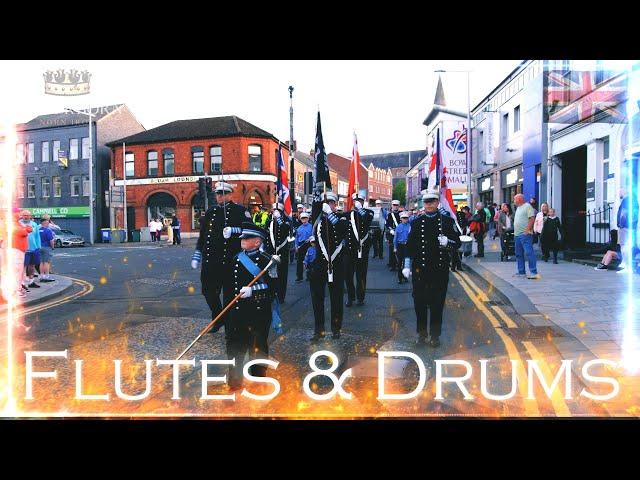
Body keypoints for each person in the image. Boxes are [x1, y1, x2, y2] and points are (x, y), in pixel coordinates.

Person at [222, 222, 278, 390]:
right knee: (235, 346)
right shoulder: (236, 258)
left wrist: (253, 290)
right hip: (238, 311)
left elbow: (274, 288)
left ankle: (258, 380)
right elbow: (229, 286)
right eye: (243, 238)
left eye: (247, 238)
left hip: (258, 312)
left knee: (258, 346)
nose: (243, 241)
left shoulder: (268, 261)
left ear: (258, 241)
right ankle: (235, 380)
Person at [402, 190, 461, 347]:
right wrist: (407, 264)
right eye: (426, 202)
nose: (428, 204)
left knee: (437, 304)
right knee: (419, 304)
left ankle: (435, 336)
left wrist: (447, 242)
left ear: (437, 202)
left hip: (439, 271)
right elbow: (410, 246)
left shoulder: (447, 221)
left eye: (432, 201)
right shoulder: (415, 222)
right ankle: (422, 334)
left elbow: (458, 243)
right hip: (419, 270)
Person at [191, 181, 251, 321]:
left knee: (229, 293)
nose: (219, 196)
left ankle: (227, 322)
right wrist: (197, 254)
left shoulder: (240, 211)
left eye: (223, 193)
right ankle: (218, 315)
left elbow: (251, 231)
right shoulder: (211, 211)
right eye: (218, 194)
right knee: (208, 291)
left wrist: (234, 231)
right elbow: (203, 236)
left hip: (229, 258)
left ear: (230, 194)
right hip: (210, 259)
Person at [309, 191, 348, 342]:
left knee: (336, 299)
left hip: (337, 263)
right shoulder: (318, 221)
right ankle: (319, 330)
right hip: (320, 264)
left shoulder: (341, 218)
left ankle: (336, 329)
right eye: (327, 202)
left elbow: (342, 229)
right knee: (317, 299)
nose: (329, 205)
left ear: (335, 204)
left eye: (331, 203)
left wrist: (329, 214)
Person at [344, 191, 374, 307]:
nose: (357, 203)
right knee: (348, 275)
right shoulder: (348, 215)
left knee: (361, 275)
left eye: (360, 201)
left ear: (362, 202)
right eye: (356, 201)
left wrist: (360, 208)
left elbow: (367, 218)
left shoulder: (368, 213)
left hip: (362, 250)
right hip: (349, 249)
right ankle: (351, 297)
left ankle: (360, 297)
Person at [265, 202, 292, 303]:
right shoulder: (269, 221)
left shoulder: (286, 221)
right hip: (271, 251)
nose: (275, 213)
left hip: (282, 251)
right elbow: (266, 234)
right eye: (274, 211)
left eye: (278, 211)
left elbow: (286, 230)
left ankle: (281, 296)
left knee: (282, 274)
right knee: (271, 274)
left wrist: (279, 219)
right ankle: (272, 294)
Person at [513, 193, 539, 279]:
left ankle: (533, 272)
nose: (514, 201)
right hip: (517, 235)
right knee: (518, 254)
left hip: (525, 235)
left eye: (515, 199)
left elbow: (532, 218)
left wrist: (527, 230)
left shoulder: (527, 206)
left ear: (520, 199)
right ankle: (521, 272)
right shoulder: (518, 208)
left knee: (529, 252)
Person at [21, 210, 41, 289]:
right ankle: (22, 282)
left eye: (27, 215)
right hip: (24, 249)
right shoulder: (19, 224)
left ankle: (31, 281)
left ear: (30, 216)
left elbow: (37, 236)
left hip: (34, 249)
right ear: (22, 216)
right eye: (24, 215)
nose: (26, 217)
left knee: (32, 265)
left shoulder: (34, 224)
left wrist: (38, 246)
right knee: (23, 266)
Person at [393, 211, 411, 283]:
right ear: (401, 219)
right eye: (403, 218)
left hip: (407, 246)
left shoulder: (410, 227)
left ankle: (405, 276)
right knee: (400, 263)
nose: (405, 219)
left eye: (406, 218)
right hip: (400, 246)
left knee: (406, 262)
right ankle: (399, 278)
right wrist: (395, 247)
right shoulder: (398, 227)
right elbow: (395, 238)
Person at [295, 212, 312, 282]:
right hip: (301, 245)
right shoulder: (299, 228)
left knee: (309, 261)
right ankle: (299, 276)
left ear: (308, 218)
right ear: (301, 219)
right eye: (302, 218)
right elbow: (296, 238)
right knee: (299, 261)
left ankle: (309, 276)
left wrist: (310, 238)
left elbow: (314, 235)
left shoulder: (311, 226)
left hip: (309, 244)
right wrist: (296, 246)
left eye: (305, 218)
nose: (304, 220)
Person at [385, 200, 401, 271]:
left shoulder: (401, 214)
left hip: (400, 234)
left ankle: (399, 264)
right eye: (394, 205)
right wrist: (390, 229)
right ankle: (392, 265)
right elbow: (387, 224)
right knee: (392, 249)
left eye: (396, 205)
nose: (395, 206)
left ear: (398, 206)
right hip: (392, 233)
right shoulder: (389, 215)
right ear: (392, 206)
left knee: (400, 249)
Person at [38, 218, 56, 282]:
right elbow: (51, 240)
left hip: (39, 247)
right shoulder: (48, 230)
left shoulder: (38, 230)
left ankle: (42, 276)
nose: (48, 224)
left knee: (41, 262)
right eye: (48, 223)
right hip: (46, 247)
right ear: (45, 223)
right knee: (46, 262)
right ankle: (47, 276)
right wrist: (53, 247)